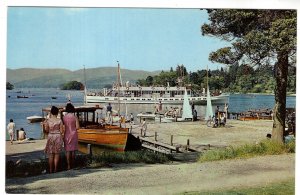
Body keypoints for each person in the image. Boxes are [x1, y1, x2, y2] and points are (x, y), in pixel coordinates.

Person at [43, 106, 64, 173]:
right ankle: (55, 169)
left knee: (51, 154)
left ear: (51, 112)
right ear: (57, 113)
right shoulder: (60, 120)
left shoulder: (48, 121)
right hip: (58, 136)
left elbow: (46, 130)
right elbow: (61, 131)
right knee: (57, 153)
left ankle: (51, 170)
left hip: (51, 136)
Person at [62, 103, 80, 170]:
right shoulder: (75, 117)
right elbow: (78, 127)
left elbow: (63, 127)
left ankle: (68, 166)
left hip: (66, 134)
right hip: (74, 134)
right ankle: (73, 165)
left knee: (68, 151)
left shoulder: (64, 117)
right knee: (73, 151)